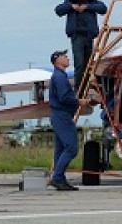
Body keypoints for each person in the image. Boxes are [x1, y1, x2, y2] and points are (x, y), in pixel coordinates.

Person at [47, 50, 91, 191]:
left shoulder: (59, 76)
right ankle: (57, 178)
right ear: (57, 60)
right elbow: (64, 98)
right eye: (64, 56)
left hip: (58, 115)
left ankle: (60, 179)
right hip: (62, 116)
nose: (67, 58)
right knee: (71, 148)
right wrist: (80, 102)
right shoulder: (60, 77)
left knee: (60, 150)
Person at [55, 0, 106, 92]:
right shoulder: (70, 0)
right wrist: (71, 7)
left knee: (89, 63)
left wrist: (87, 7)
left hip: (89, 36)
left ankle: (87, 86)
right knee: (79, 63)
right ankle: (79, 88)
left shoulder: (93, 1)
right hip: (77, 36)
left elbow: (103, 9)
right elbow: (58, 10)